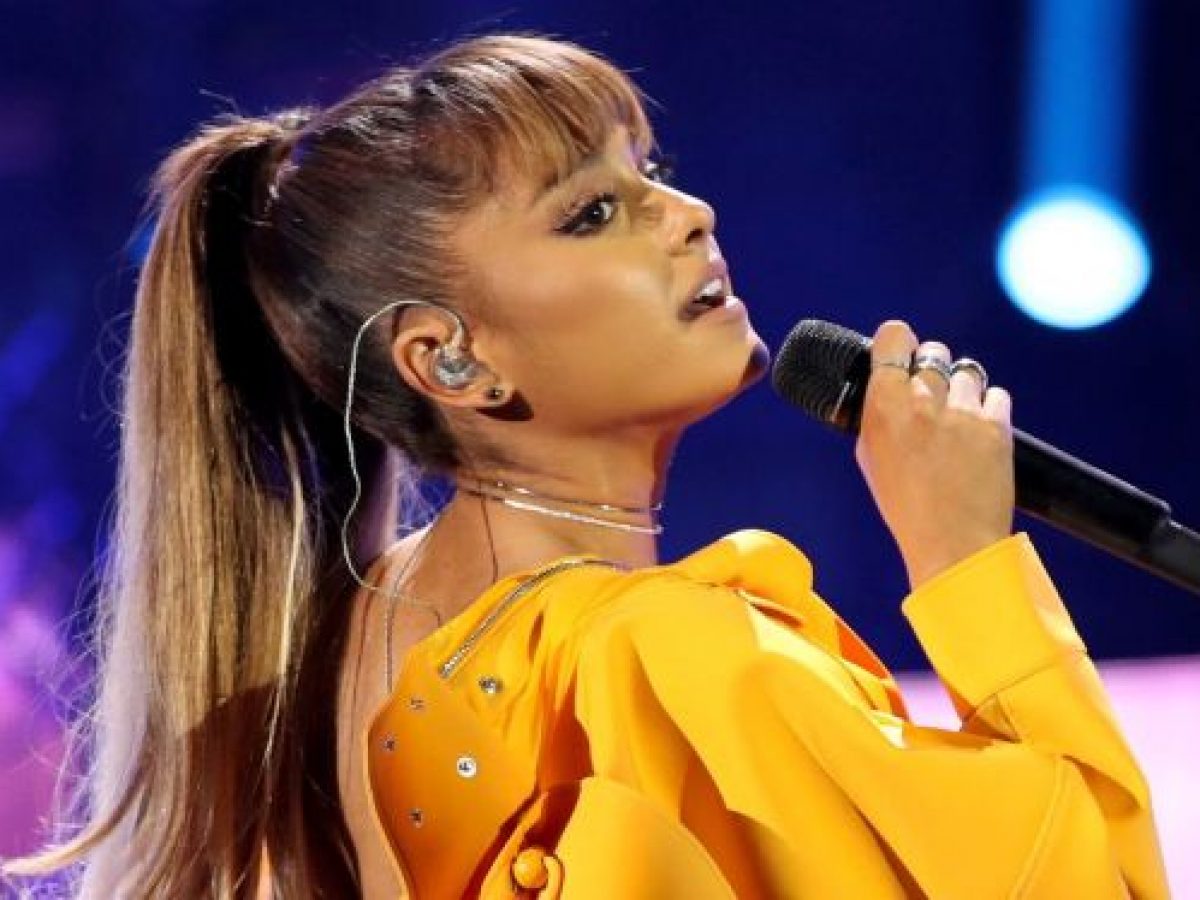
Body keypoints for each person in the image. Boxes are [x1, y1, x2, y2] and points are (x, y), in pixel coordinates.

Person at [4, 33, 1168, 899]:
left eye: (650, 170)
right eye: (592, 212)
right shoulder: (663, 654)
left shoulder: (323, 655)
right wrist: (962, 558)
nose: (691, 213)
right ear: (449, 358)